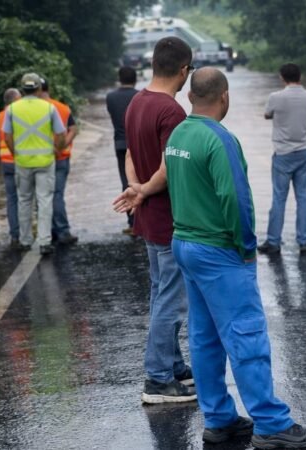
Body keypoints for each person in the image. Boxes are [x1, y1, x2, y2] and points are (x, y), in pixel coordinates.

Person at [166, 67, 306, 449]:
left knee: (204, 338)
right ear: (225, 97)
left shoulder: (178, 134)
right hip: (219, 250)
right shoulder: (220, 140)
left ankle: (219, 419)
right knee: (246, 333)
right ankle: (271, 424)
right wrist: (247, 248)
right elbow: (236, 199)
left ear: (190, 97)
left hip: (184, 243)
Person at [112, 37, 196, 403]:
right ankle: (158, 379)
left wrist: (135, 187)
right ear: (183, 70)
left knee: (160, 292)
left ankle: (174, 365)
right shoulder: (171, 111)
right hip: (167, 219)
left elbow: (131, 153)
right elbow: (169, 166)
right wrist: (145, 190)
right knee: (172, 300)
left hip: (147, 218)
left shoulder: (136, 103)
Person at [256, 63, 306, 255]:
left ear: (282, 77)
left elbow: (267, 115)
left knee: (279, 198)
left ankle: (273, 241)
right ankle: (304, 242)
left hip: (283, 153)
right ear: (300, 76)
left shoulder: (276, 97)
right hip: (305, 152)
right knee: (303, 197)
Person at [3, 73, 67, 255]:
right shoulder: (48, 108)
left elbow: (7, 136)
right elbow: (61, 134)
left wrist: (16, 153)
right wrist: (57, 150)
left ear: (23, 89)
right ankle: (45, 242)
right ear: (39, 89)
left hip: (22, 161)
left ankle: (24, 240)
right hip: (46, 161)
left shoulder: (12, 109)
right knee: (44, 200)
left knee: (24, 200)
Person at [39, 78, 79, 245]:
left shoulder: (34, 109)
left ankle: (54, 231)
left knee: (43, 196)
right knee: (56, 195)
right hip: (61, 158)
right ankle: (61, 231)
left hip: (40, 159)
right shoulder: (62, 107)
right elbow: (73, 129)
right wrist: (62, 147)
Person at [106, 66, 140, 234]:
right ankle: (143, 221)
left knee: (126, 180)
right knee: (143, 180)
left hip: (120, 144)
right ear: (135, 79)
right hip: (139, 144)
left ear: (119, 79)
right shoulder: (140, 96)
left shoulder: (110, 97)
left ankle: (132, 222)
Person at [0, 88, 22, 248]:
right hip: (21, 162)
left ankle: (14, 235)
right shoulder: (19, 114)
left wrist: (2, 155)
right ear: (16, 100)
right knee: (25, 199)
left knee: (11, 199)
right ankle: (25, 235)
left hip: (6, 163)